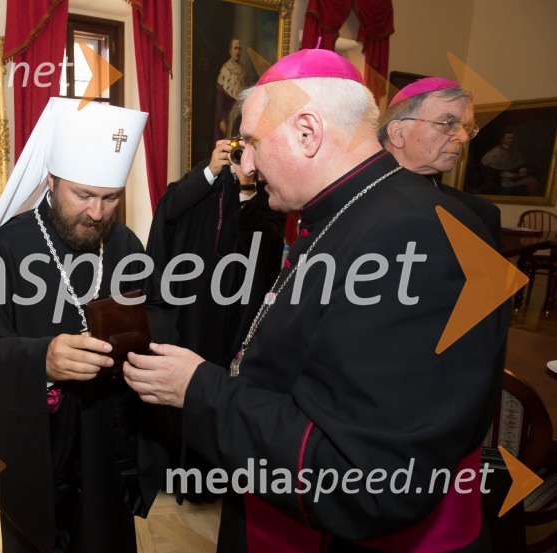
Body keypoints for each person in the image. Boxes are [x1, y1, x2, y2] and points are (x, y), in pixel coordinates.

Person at [124, 49, 507, 552]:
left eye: (255, 143)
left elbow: (365, 480)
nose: (248, 164)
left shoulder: (409, 237)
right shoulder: (353, 213)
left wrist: (199, 389)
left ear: (308, 132)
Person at [0, 98, 178, 553]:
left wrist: (138, 339)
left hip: (109, 443)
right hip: (40, 449)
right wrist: (41, 360)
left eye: (110, 198)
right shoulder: (10, 247)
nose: (97, 213)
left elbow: (162, 316)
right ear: (50, 182)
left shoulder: (124, 242)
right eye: (83, 195)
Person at [146, 138, 285, 504]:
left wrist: (250, 187)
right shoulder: (202, 189)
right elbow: (170, 211)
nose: (244, 163)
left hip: (240, 317)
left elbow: (266, 247)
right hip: (198, 316)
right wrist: (212, 170)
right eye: (239, 154)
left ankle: (215, 478)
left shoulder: (269, 200)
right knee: (190, 389)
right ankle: (181, 475)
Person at [379, 77, 502, 245]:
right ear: (398, 133)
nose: (464, 137)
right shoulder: (346, 197)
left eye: (466, 128)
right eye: (449, 123)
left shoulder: (478, 214)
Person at [481, 130, 540, 196]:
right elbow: (490, 170)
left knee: (533, 183)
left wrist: (523, 170)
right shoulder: (494, 153)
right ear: (502, 139)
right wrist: (509, 175)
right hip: (500, 180)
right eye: (509, 138)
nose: (511, 140)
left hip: (516, 178)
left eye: (513, 138)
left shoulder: (516, 152)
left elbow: (522, 164)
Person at [215, 38, 250, 140]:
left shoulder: (244, 70)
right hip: (229, 115)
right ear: (230, 51)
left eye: (239, 49)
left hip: (242, 115)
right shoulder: (225, 69)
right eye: (235, 48)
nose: (238, 51)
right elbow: (220, 99)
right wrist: (222, 119)